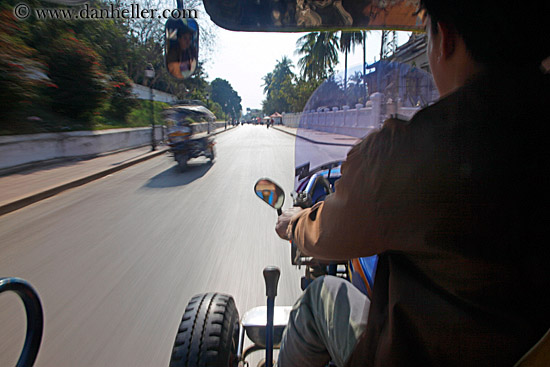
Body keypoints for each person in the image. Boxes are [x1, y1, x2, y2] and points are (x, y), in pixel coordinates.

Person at [275, 1, 550, 366]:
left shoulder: (411, 152)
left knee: (317, 301)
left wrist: (295, 223)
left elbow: (327, 233)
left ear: (445, 38)